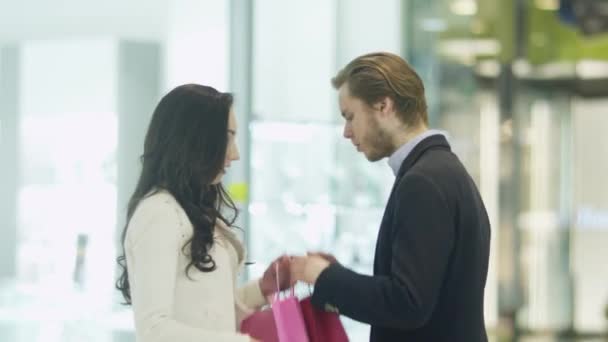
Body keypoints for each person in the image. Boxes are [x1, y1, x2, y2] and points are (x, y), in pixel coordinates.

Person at [290, 52, 491, 341]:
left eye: (350, 117)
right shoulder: (443, 171)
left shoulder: (423, 182)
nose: (347, 132)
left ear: (383, 105)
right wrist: (335, 276)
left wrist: (323, 277)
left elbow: (407, 303)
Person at [115, 84, 290, 342]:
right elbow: (154, 331)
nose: (235, 154)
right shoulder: (159, 213)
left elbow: (207, 314)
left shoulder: (188, 211)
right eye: (228, 137)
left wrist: (261, 290)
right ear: (195, 139)